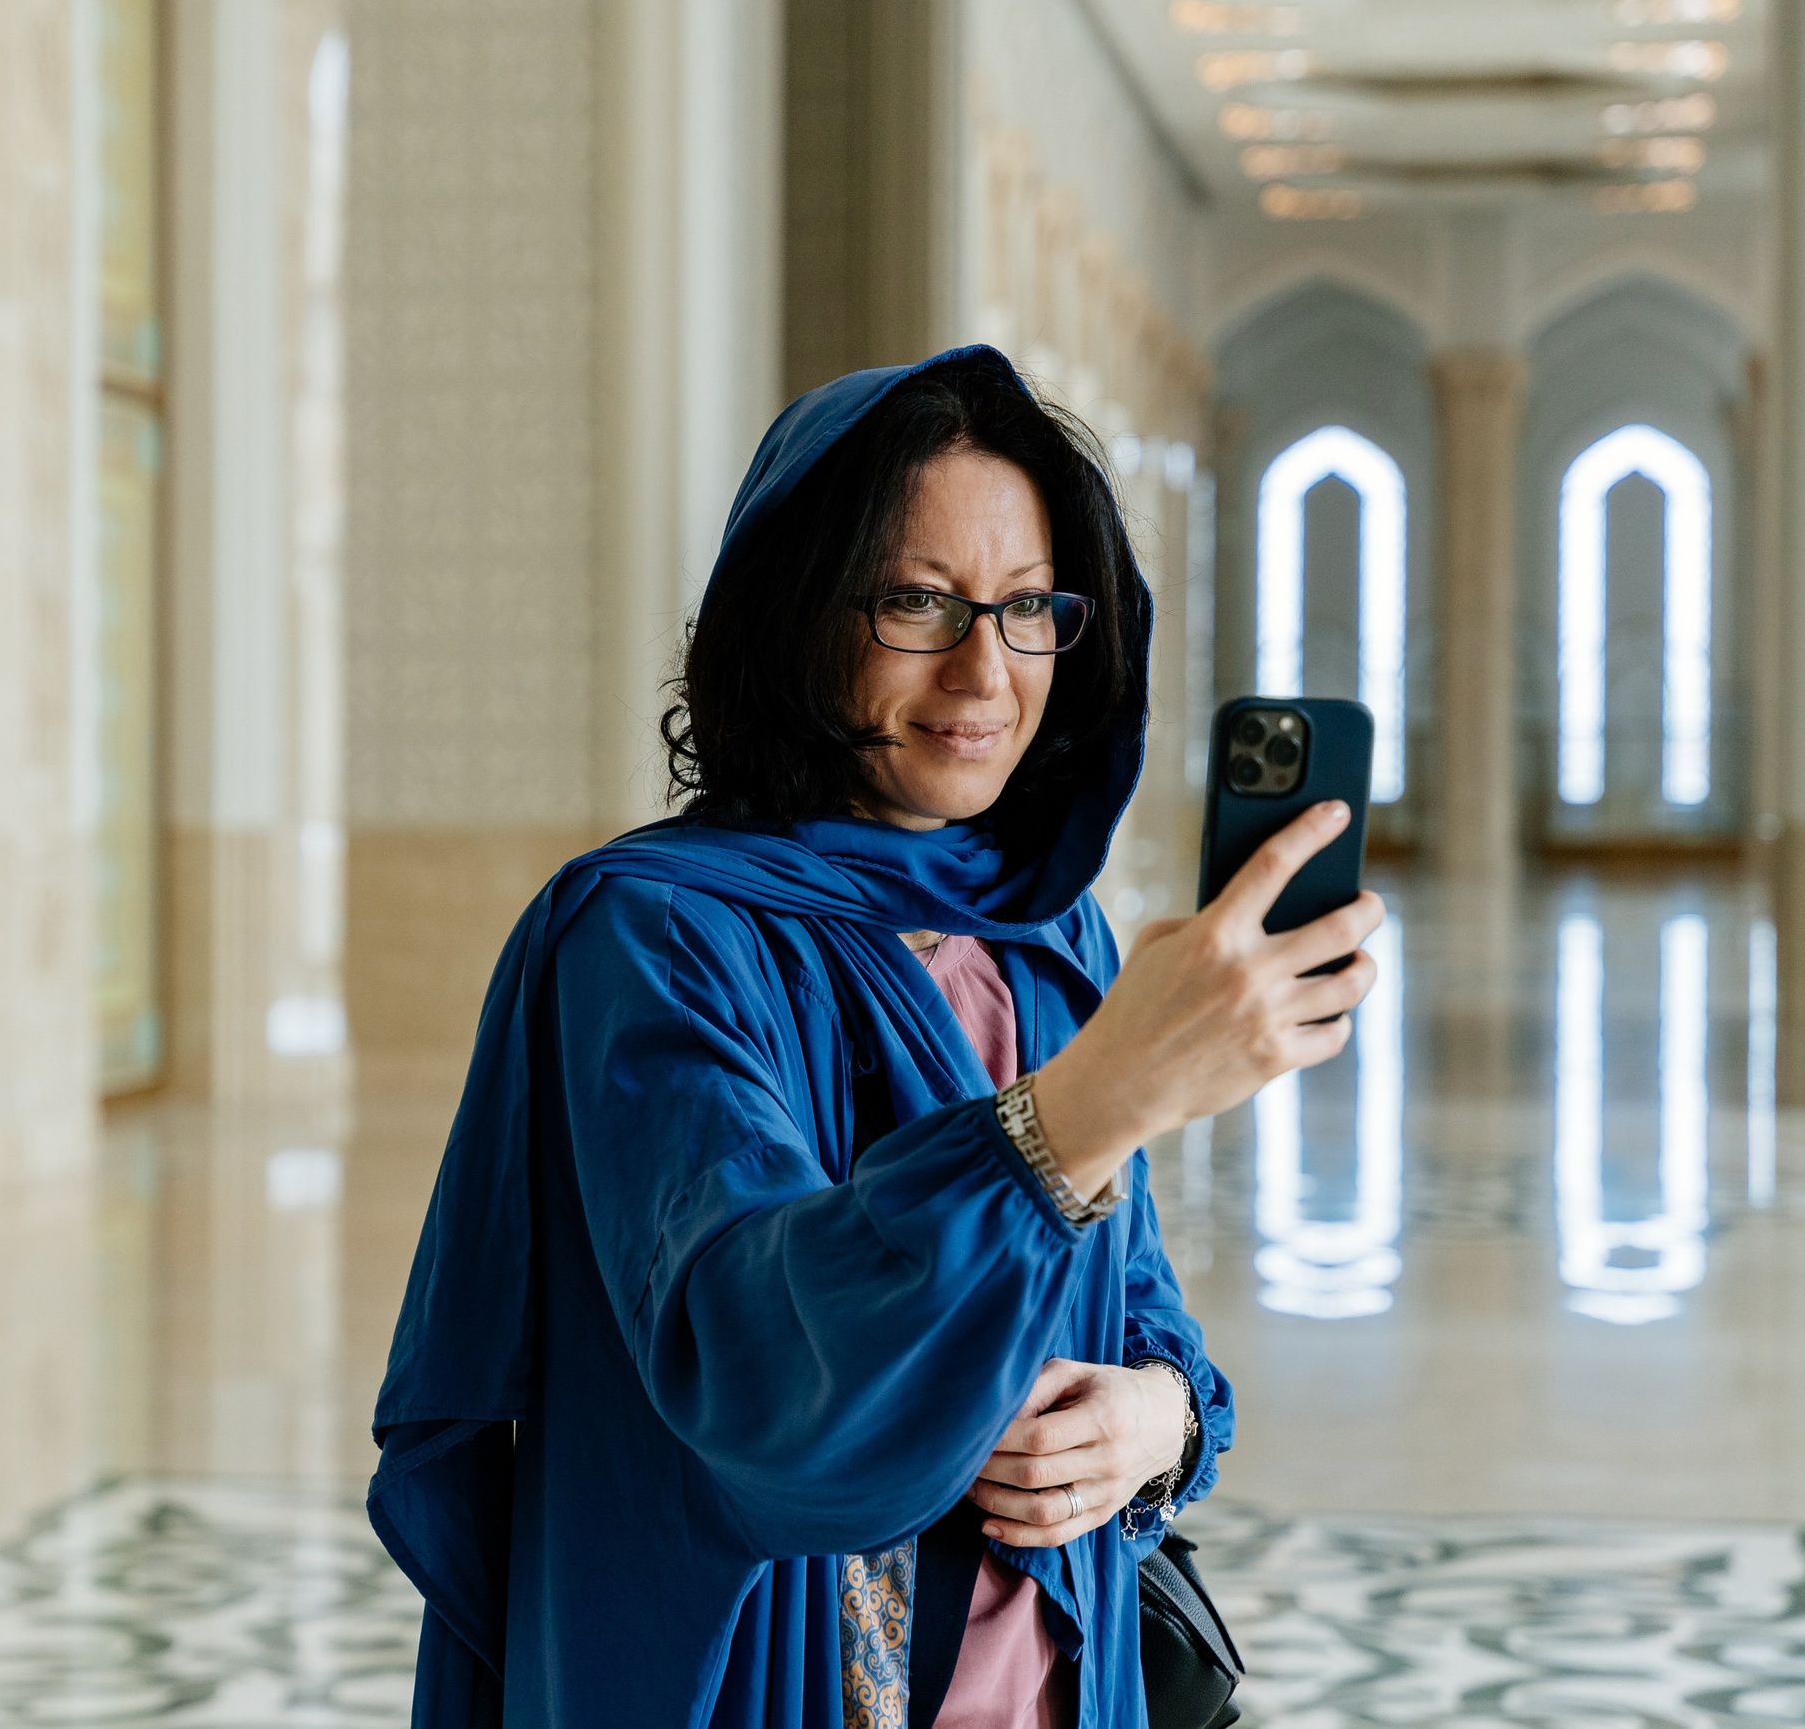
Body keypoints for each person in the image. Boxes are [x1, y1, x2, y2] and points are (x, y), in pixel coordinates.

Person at [369, 347, 1382, 1728]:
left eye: (1029, 608)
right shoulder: (653, 935)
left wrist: (1158, 1419)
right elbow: (757, 1360)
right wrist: (1085, 1106)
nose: (986, 670)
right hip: (769, 1671)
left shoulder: (1050, 937)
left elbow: (1124, 1297)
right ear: (797, 613)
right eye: (918, 602)